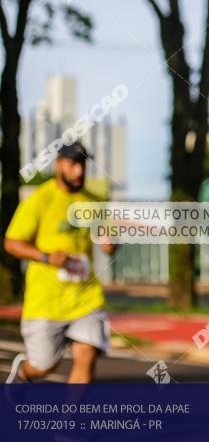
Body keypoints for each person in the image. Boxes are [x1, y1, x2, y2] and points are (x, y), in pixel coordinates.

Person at [5, 141, 117, 384]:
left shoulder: (94, 203)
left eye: (83, 165)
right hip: (46, 302)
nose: (79, 171)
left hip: (85, 296)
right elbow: (12, 243)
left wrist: (110, 244)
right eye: (73, 164)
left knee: (86, 356)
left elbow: (109, 240)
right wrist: (46, 257)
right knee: (44, 365)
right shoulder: (39, 200)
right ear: (59, 164)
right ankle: (25, 372)